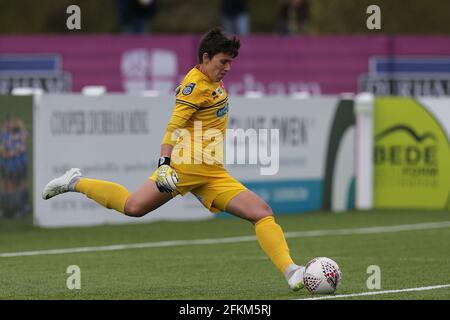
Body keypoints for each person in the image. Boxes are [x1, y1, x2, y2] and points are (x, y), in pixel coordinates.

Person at [42, 27, 305, 291]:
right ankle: (74, 182)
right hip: (185, 166)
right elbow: (173, 127)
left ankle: (291, 270)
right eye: (223, 61)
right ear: (206, 57)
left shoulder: (213, 78)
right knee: (134, 207)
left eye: (230, 62)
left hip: (212, 172)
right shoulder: (194, 88)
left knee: (262, 213)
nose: (227, 68)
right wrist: (164, 164)